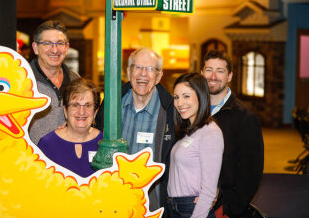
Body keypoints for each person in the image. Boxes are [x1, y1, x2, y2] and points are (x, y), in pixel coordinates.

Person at [95, 47, 176, 213]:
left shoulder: (171, 112)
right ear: (128, 72)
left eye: (150, 69)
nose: (143, 74)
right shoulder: (111, 105)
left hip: (152, 199)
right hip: (112, 196)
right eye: (138, 67)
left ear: (159, 76)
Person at [201, 50, 264, 218]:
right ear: (201, 73)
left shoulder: (245, 118)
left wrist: (229, 210)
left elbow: (251, 173)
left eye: (220, 71)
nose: (212, 76)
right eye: (208, 69)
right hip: (191, 204)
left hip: (223, 209)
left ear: (229, 76)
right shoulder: (191, 110)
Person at [167, 73, 224, 218]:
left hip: (191, 209)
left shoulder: (210, 132)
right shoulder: (190, 130)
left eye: (186, 96)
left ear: (200, 96)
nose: (180, 103)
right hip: (176, 207)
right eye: (176, 97)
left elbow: (209, 190)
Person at [28, 20, 80, 145]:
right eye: (47, 43)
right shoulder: (22, 81)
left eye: (59, 43)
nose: (54, 50)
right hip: (33, 160)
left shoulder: (76, 81)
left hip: (68, 157)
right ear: (35, 48)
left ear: (66, 48)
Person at [38, 78, 102, 178]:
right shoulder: (47, 145)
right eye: (75, 105)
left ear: (95, 112)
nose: (81, 112)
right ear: (65, 110)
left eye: (88, 105)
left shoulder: (104, 142)